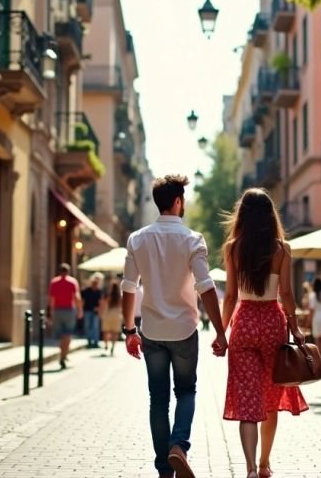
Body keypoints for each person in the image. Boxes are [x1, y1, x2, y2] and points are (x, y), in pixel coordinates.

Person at [120, 174, 228, 478]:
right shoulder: (193, 239)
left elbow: (128, 287)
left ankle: (164, 469)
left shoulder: (137, 239)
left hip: (151, 330)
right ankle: (179, 445)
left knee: (158, 400)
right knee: (186, 391)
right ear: (178, 202)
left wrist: (129, 331)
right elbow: (205, 286)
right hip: (184, 330)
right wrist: (220, 331)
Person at [220, 188, 308, 478]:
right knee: (270, 398)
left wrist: (221, 332)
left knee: (248, 401)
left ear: (242, 215)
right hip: (272, 321)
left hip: (244, 322)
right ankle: (264, 464)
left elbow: (230, 296)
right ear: (271, 216)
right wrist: (295, 326)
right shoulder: (281, 248)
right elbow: (286, 293)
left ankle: (247, 469)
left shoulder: (233, 248)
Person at [47, 263, 82, 370]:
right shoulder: (72, 282)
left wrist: (51, 311)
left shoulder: (54, 282)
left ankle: (63, 354)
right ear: (68, 271)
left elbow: (51, 299)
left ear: (59, 271)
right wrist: (80, 310)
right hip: (69, 310)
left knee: (61, 334)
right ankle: (64, 354)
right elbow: (76, 297)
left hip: (58, 310)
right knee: (68, 334)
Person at [81, 273, 105, 348]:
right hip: (87, 310)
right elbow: (83, 301)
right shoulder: (86, 291)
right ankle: (89, 341)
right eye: (93, 283)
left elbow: (101, 302)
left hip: (95, 311)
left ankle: (95, 341)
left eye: (96, 283)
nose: (95, 285)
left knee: (95, 326)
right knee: (87, 326)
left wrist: (100, 310)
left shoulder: (99, 291)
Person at [100, 279, 123, 355]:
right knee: (115, 332)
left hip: (108, 314)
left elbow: (102, 304)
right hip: (117, 314)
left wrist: (101, 313)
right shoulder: (120, 296)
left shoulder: (107, 295)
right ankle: (113, 346)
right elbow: (122, 306)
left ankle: (106, 345)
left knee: (106, 331)